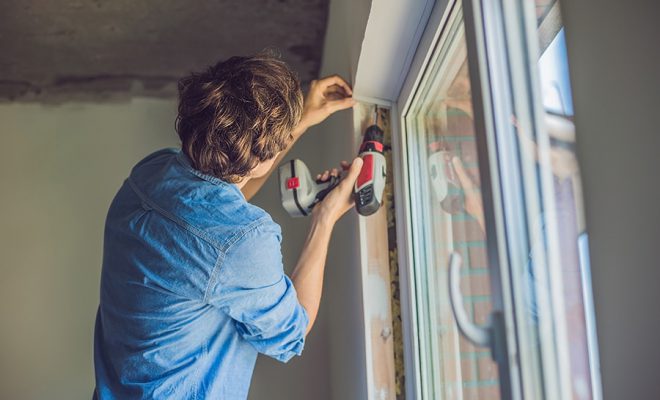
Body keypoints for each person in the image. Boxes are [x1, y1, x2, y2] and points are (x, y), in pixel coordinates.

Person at [93, 53, 363, 399]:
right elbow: (292, 331)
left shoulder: (151, 172)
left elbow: (222, 203)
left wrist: (300, 122)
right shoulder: (242, 241)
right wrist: (325, 218)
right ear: (263, 158)